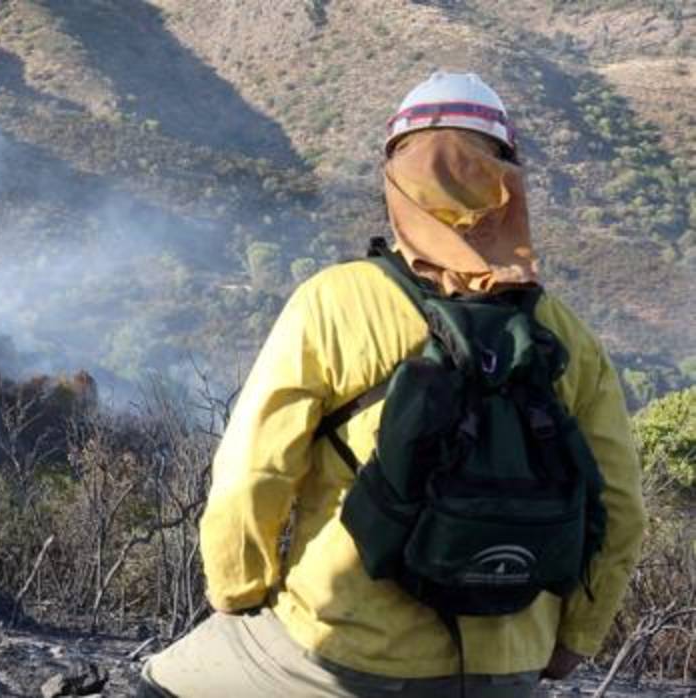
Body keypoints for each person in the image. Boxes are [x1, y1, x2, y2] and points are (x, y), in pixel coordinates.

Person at [137, 72, 645, 697]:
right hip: (510, 665)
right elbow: (620, 509)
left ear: (397, 184)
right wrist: (573, 641)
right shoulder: (567, 336)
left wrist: (237, 593)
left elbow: (252, 473)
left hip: (346, 652)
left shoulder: (333, 301)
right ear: (506, 187)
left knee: (160, 684)